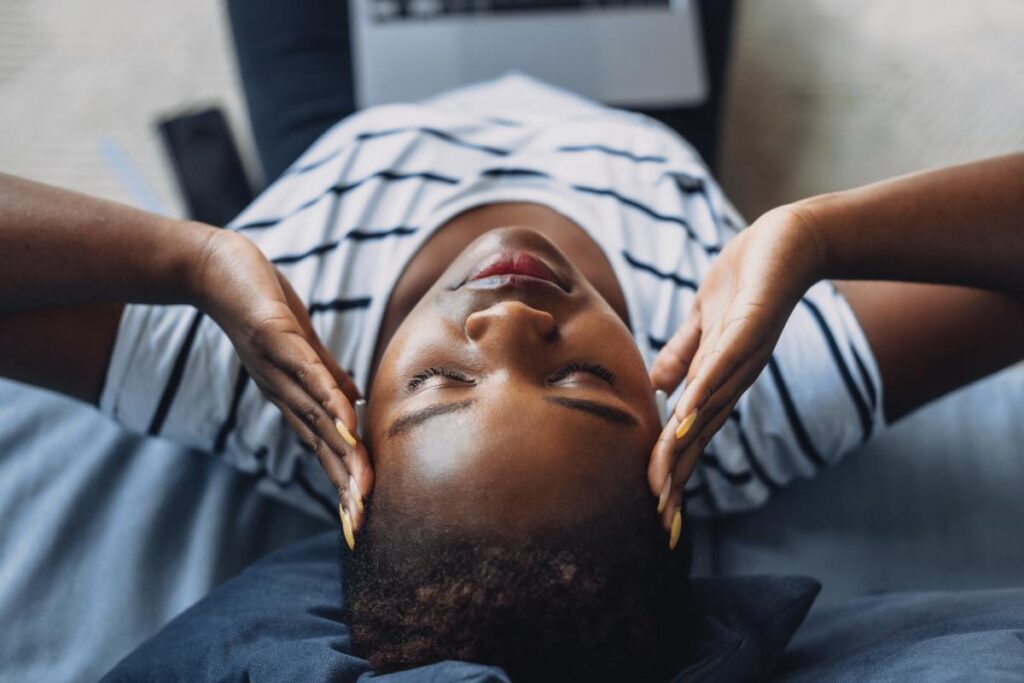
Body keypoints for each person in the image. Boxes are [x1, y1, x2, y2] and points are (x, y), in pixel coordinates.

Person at [1, 2, 1022, 677]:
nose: (507, 319)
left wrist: (185, 261)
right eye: (579, 374)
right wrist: (816, 233)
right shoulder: (740, 391)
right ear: (669, 449)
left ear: (351, 444)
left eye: (444, 377)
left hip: (365, 96)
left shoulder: (261, 377)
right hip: (615, 73)